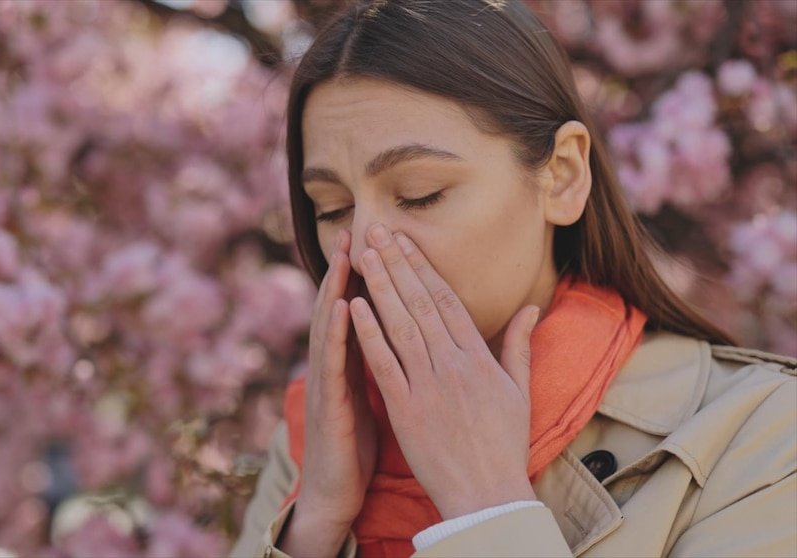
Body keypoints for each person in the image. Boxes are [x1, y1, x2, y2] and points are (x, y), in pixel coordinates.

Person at [230, 0, 797, 556]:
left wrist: (486, 503)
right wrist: (316, 525)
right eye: (332, 209)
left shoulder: (759, 436)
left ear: (563, 176)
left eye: (420, 194)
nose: (368, 249)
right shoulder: (316, 442)